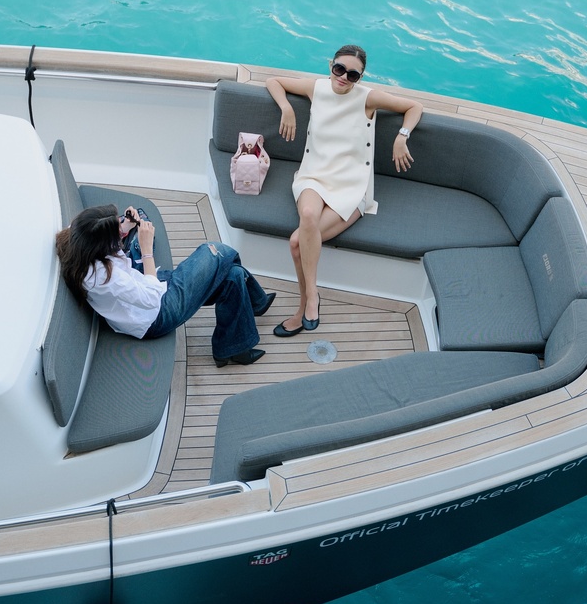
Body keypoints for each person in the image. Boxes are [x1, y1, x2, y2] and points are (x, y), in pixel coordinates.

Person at [266, 44, 423, 337]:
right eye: (339, 69)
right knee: (308, 213)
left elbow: (414, 107)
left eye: (353, 75)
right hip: (314, 175)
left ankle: (303, 308)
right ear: (331, 65)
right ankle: (312, 297)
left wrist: (402, 137)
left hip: (352, 184)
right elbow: (273, 81)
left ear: (360, 78)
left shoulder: (368, 98)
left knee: (297, 242)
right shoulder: (316, 88)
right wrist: (286, 108)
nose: (343, 77)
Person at [56, 204, 275, 366]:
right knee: (217, 251)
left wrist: (125, 226)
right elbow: (152, 298)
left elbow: (103, 242)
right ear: (101, 245)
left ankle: (232, 346)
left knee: (234, 276)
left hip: (146, 287)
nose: (120, 229)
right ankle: (255, 303)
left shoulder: (76, 236)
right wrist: (146, 249)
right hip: (156, 314)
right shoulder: (103, 277)